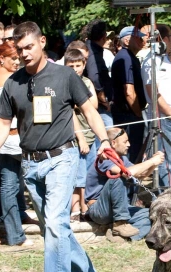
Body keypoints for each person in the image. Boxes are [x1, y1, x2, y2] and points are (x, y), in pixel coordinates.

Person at [0, 21, 111, 272]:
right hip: (30, 164)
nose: (24, 54)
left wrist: (104, 140)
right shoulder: (12, 83)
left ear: (42, 42)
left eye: (29, 47)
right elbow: (3, 123)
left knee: (54, 224)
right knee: (55, 227)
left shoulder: (65, 75)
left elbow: (89, 111)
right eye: (19, 49)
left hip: (62, 158)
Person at [0, 41, 34, 247]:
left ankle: (13, 227)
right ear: (2, 58)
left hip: (7, 136)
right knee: (10, 185)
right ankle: (15, 234)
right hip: (11, 136)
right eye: (13, 58)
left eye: (18, 58)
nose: (17, 62)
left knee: (9, 185)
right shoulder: (8, 78)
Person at [85, 127, 164, 239]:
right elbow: (127, 173)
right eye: (125, 141)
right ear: (113, 143)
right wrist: (151, 161)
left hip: (118, 208)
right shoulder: (105, 158)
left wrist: (154, 164)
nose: (129, 145)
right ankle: (120, 224)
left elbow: (141, 174)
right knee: (117, 177)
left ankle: (123, 238)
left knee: (150, 215)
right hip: (99, 210)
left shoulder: (122, 159)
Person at [140, 24, 171, 187]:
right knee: (165, 161)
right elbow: (152, 90)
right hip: (164, 118)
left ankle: (169, 194)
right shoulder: (152, 61)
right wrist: (170, 113)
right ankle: (168, 197)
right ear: (165, 39)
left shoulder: (163, 58)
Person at [65, 48, 98, 222]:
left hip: (90, 135)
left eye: (78, 65)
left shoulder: (87, 82)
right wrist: (81, 138)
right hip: (76, 137)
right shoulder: (66, 83)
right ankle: (76, 208)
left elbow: (94, 104)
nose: (75, 69)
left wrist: (79, 103)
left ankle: (86, 207)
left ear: (84, 65)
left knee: (88, 174)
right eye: (71, 66)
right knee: (77, 176)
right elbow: (69, 111)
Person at [111, 26, 147, 163]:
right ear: (126, 41)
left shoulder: (129, 57)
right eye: (137, 37)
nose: (142, 40)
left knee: (134, 154)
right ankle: (130, 184)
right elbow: (129, 92)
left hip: (129, 114)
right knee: (130, 156)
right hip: (128, 116)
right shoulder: (126, 58)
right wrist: (138, 114)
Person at [84, 19, 115, 128]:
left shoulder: (92, 49)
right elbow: (94, 77)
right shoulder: (92, 53)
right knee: (107, 138)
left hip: (97, 105)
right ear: (103, 36)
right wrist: (103, 98)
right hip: (99, 107)